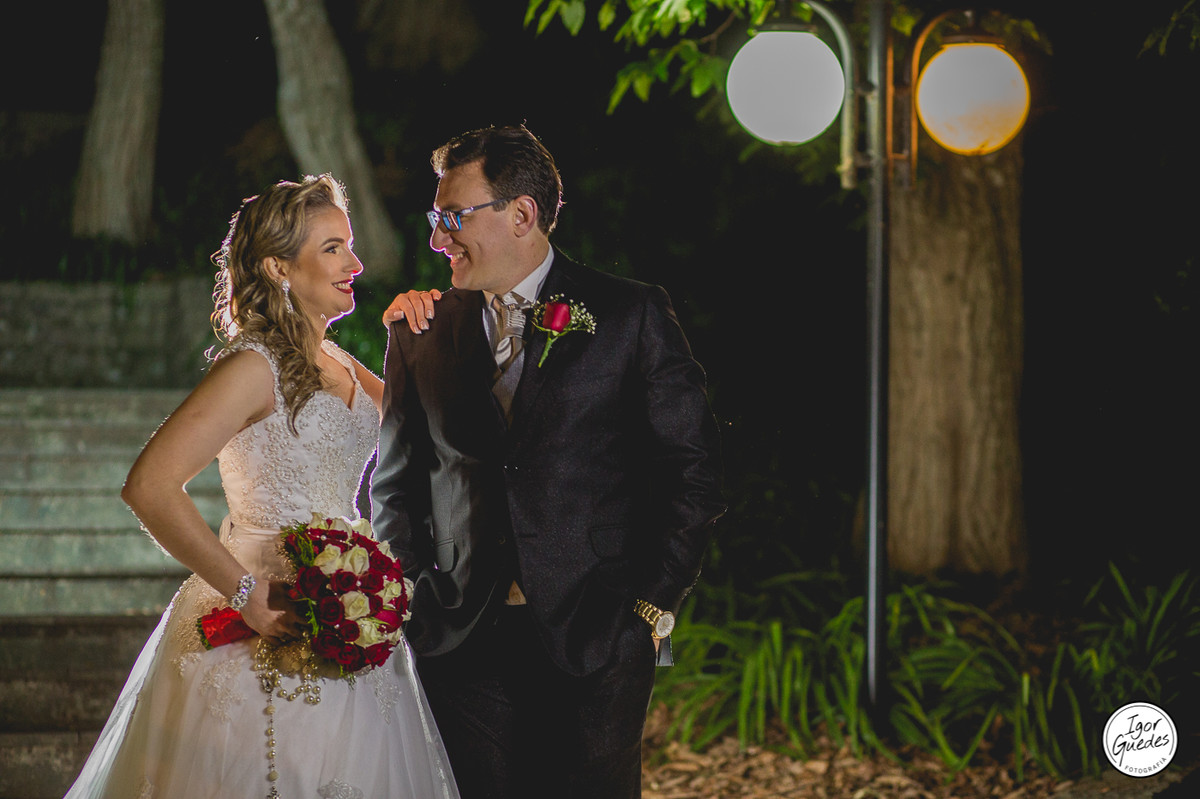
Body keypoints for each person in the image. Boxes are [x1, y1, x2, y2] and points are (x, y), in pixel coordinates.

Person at [64, 175, 460, 799]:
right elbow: (150, 485)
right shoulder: (253, 367)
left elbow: (435, 438)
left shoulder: (340, 361)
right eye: (333, 248)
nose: (355, 264)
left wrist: (411, 343)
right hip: (262, 619)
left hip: (347, 613)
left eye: (350, 246)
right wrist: (244, 592)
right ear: (279, 267)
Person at [370, 124, 725, 799]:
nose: (438, 238)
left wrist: (651, 608)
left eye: (453, 217)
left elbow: (693, 472)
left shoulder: (630, 314)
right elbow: (393, 485)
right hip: (459, 638)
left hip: (599, 634)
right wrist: (414, 594)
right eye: (435, 219)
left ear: (522, 214)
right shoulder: (419, 331)